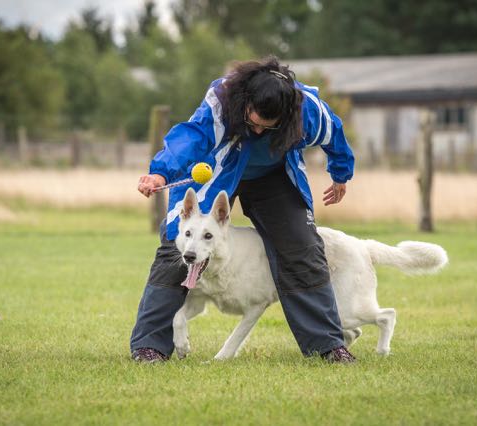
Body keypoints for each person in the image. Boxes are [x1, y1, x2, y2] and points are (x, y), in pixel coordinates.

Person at [131, 56, 356, 363]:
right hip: (218, 170)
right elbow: (192, 137)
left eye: (270, 127)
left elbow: (335, 134)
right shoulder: (222, 99)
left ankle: (328, 346)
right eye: (254, 123)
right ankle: (150, 346)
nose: (260, 132)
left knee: (302, 246)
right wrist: (161, 172)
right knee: (178, 243)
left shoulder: (307, 110)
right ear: (245, 102)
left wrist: (341, 173)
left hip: (274, 178)